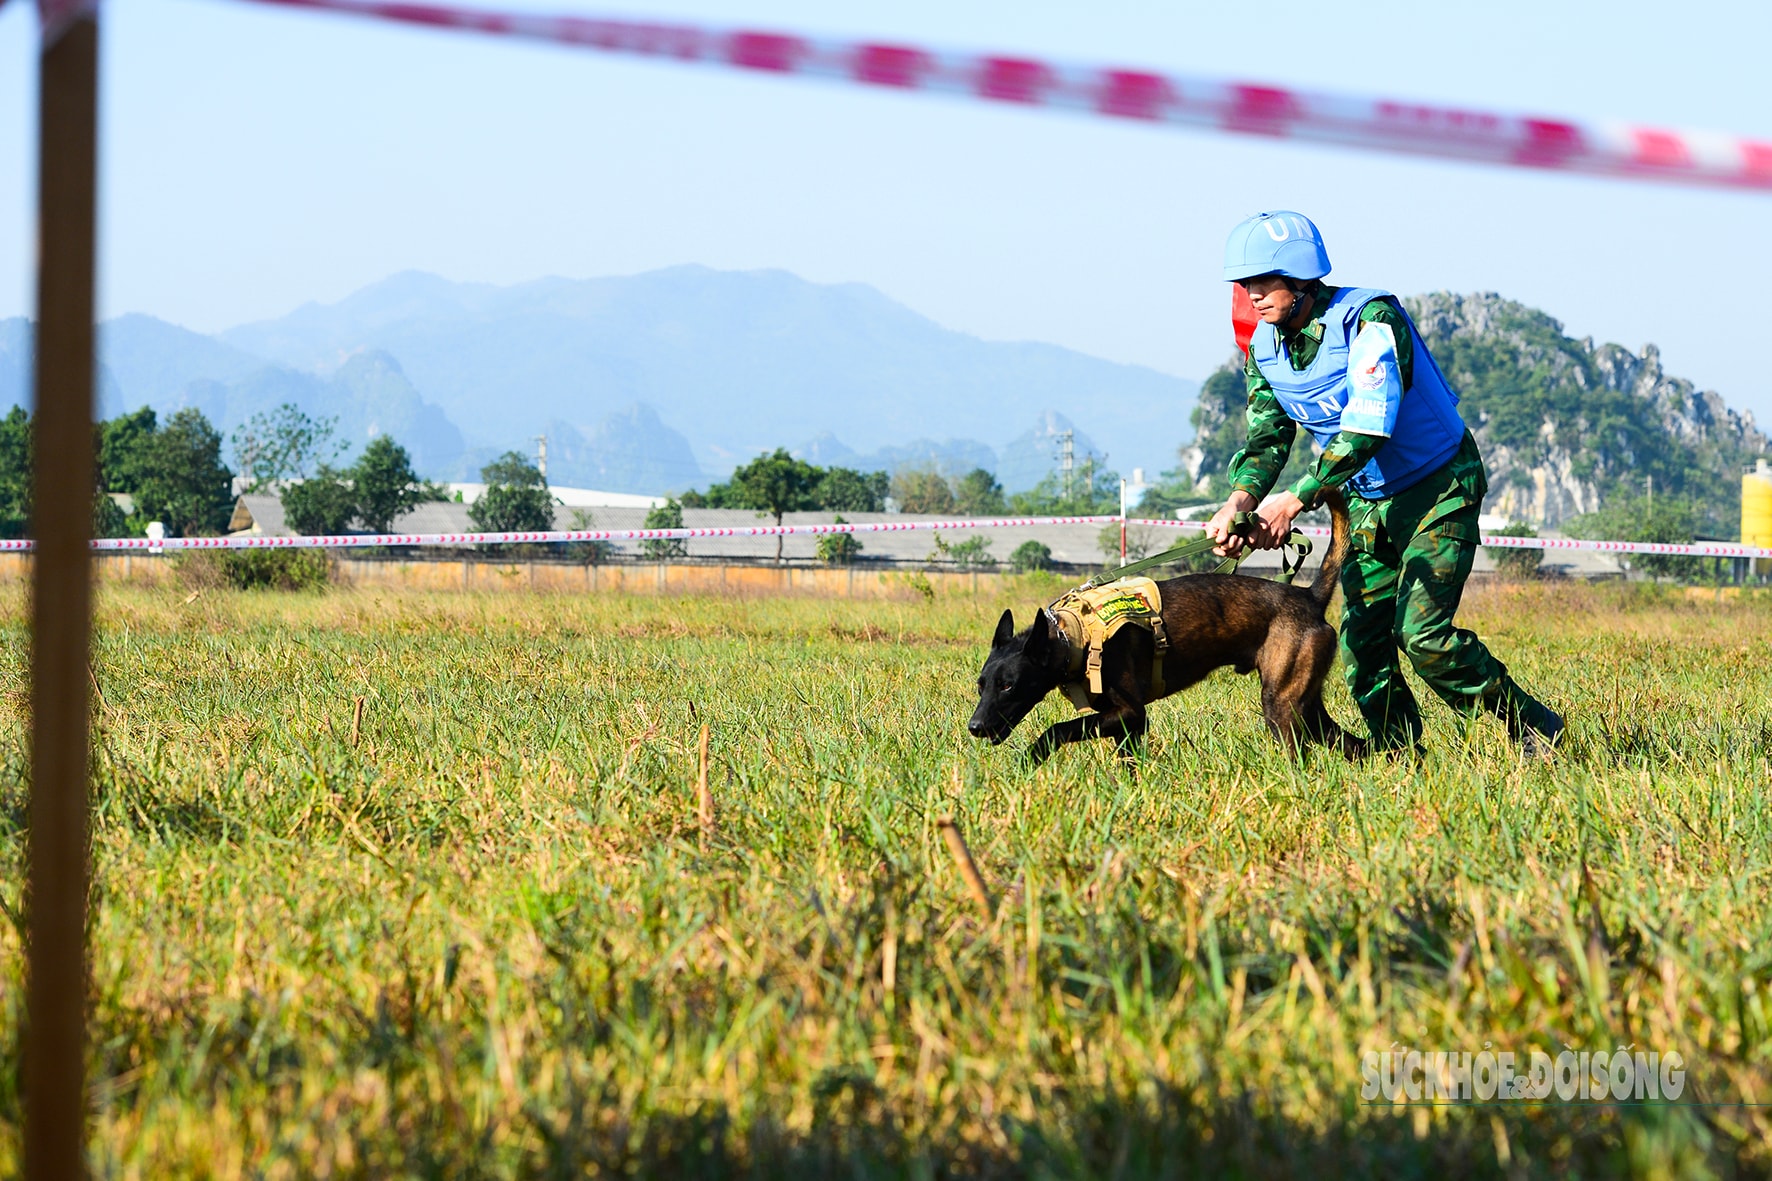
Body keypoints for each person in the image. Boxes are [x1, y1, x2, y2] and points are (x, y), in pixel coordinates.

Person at [1204, 210, 1564, 756]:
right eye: (1243, 284)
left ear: (1301, 276)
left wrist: (1296, 501)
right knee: (1361, 641)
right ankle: (1399, 756)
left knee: (1422, 635)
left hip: (1439, 486)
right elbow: (1266, 440)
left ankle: (1532, 726)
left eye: (1262, 280)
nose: (1250, 295)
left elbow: (1370, 423)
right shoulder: (1265, 351)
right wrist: (1240, 503)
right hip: (1369, 498)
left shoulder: (1370, 320)